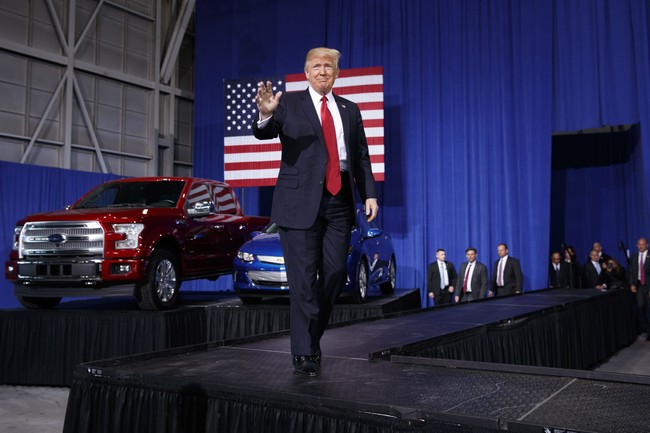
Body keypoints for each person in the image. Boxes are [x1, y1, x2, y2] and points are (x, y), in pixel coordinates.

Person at [253, 47, 378, 376]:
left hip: (339, 202)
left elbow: (361, 156)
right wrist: (265, 114)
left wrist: (369, 195)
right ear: (306, 72)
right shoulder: (287, 104)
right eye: (316, 66)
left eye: (329, 66)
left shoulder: (350, 109)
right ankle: (304, 351)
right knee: (304, 281)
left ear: (337, 72)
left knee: (335, 274)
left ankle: (310, 336)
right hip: (298, 203)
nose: (323, 71)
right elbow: (264, 131)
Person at [628, 237, 650, 339]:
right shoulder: (634, 257)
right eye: (639, 244)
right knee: (640, 308)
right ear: (637, 245)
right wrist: (632, 284)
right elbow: (632, 272)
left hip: (649, 286)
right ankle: (645, 328)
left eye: (643, 244)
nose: (641, 246)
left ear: (647, 245)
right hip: (639, 286)